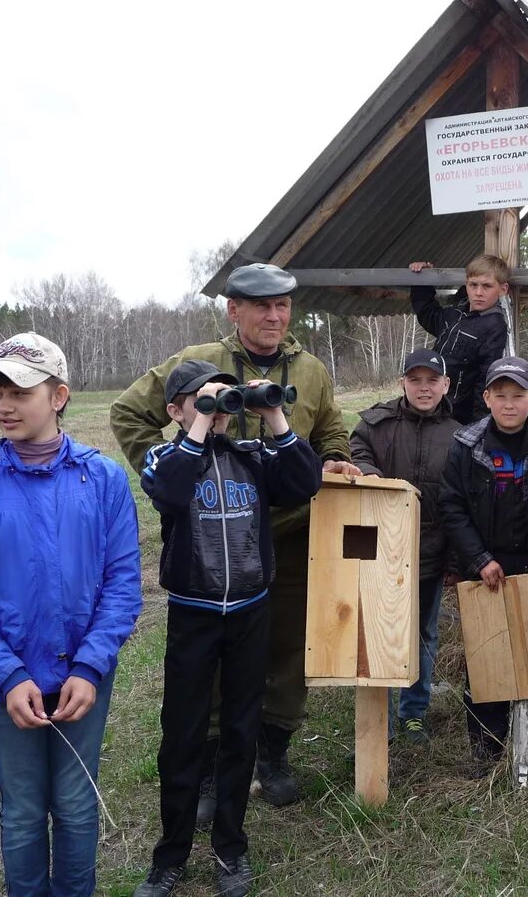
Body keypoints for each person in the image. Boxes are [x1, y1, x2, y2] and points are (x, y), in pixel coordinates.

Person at [110, 263, 360, 821]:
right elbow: (129, 411)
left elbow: (331, 430)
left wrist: (339, 457)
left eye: (283, 306)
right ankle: (212, 764)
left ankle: (272, 752)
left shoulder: (312, 370)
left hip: (291, 534)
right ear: (234, 310)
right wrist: (176, 473)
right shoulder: (200, 360)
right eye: (261, 306)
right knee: (216, 658)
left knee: (290, 645)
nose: (275, 316)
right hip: (211, 540)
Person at [0, 332, 142, 897]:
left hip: (81, 682)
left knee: (75, 804)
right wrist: (7, 673)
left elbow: (122, 583)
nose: (4, 404)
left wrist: (91, 666)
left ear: (59, 395)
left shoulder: (104, 480)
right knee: (22, 811)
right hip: (5, 686)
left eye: (20, 390)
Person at [134, 362, 323, 897]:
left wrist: (274, 416)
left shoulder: (251, 455)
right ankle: (169, 856)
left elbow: (304, 482)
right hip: (193, 614)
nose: (215, 408)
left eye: (221, 398)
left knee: (241, 733)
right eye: (199, 399)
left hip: (249, 612)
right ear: (175, 411)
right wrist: (199, 425)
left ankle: (230, 849)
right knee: (183, 735)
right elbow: (168, 493)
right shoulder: (164, 457)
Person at [439, 356, 528, 777]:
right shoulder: (466, 446)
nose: (509, 404)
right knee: (487, 658)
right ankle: (488, 751)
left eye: (518, 395)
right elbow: (452, 507)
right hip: (487, 568)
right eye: (500, 395)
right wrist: (479, 560)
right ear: (486, 398)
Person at [349, 348, 461, 744]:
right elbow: (354, 448)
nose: (424, 388)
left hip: (430, 551)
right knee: (373, 629)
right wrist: (369, 472)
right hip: (379, 549)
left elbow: (460, 499)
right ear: (403, 383)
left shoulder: (458, 434)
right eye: (416, 380)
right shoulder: (376, 423)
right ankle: (377, 716)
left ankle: (413, 712)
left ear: (445, 385)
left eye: (432, 380)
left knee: (422, 633)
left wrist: (455, 557)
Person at [408, 254, 510, 424]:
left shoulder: (494, 326)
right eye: (473, 285)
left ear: (503, 289)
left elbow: (485, 379)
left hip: (458, 415)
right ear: (466, 285)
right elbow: (428, 314)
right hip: (431, 404)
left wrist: (479, 427)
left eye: (487, 286)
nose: (478, 292)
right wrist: (422, 280)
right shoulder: (455, 313)